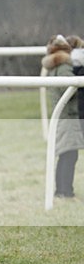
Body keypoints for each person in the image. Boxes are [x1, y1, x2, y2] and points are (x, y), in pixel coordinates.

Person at [42, 35, 84, 199]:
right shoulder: (64, 67)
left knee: (66, 155)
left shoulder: (54, 66)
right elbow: (71, 89)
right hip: (69, 116)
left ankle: (62, 190)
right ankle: (65, 191)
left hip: (62, 115)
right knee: (69, 156)